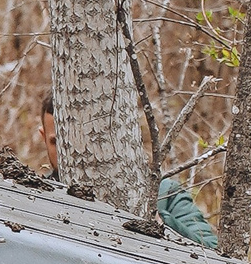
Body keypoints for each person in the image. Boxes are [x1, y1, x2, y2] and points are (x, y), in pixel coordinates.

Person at [35, 95, 220, 249]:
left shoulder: (165, 194)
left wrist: (158, 221)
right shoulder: (38, 197)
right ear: (43, 137)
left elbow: (211, 251)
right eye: (58, 142)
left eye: (85, 141)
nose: (75, 152)